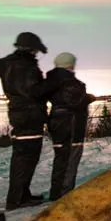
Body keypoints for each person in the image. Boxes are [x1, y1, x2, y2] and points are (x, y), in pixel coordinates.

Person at [0, 31, 49, 209]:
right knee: (26, 158)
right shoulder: (24, 67)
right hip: (29, 115)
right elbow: (33, 91)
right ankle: (17, 198)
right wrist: (49, 84)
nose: (36, 55)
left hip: (21, 114)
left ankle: (22, 194)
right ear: (30, 49)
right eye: (35, 51)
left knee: (23, 157)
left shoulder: (13, 66)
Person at [39, 52, 95, 200]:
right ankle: (64, 195)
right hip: (71, 125)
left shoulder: (50, 81)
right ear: (70, 65)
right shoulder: (69, 81)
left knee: (61, 159)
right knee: (70, 159)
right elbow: (73, 101)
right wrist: (88, 98)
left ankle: (56, 192)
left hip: (57, 124)